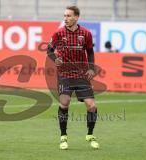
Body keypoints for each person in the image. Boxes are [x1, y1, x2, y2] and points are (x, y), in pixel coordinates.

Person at [46, 5, 99, 150]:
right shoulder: (59, 33)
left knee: (92, 106)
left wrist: (91, 68)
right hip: (65, 73)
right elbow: (49, 50)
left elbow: (90, 52)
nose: (66, 18)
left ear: (76, 17)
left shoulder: (86, 34)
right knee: (65, 102)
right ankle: (63, 137)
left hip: (81, 74)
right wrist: (54, 59)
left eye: (69, 16)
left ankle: (90, 134)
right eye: (64, 16)